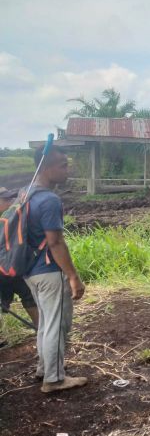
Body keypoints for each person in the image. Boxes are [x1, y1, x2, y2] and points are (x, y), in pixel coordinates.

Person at [25, 146, 87, 393]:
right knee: (56, 324)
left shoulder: (25, 194)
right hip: (50, 270)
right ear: (47, 167)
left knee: (45, 323)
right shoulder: (50, 200)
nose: (67, 169)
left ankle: (44, 369)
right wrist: (73, 276)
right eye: (62, 165)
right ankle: (54, 379)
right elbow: (55, 242)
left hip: (30, 271)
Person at [0, 187, 39, 331]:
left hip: (10, 266)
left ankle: (41, 329)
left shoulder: (10, 216)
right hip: (4, 267)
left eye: (11, 199)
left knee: (27, 294)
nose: (10, 202)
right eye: (6, 200)